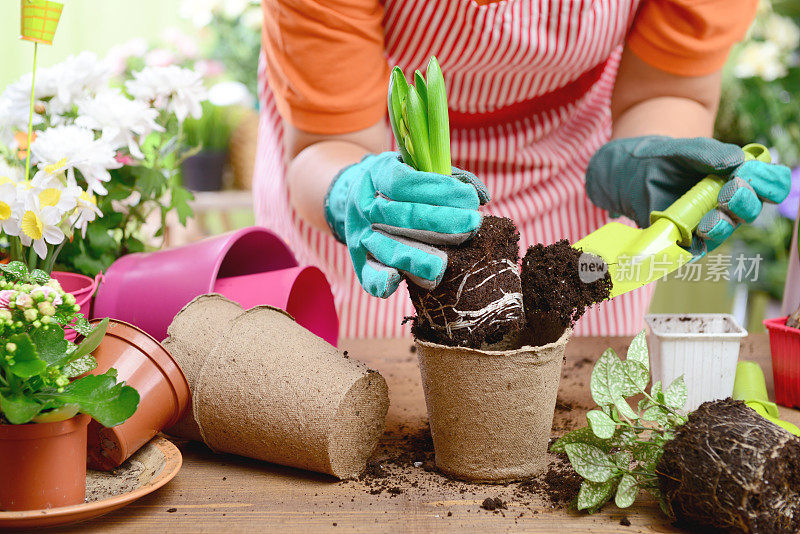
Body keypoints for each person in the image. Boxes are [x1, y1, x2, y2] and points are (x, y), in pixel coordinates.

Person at [255, 0, 791, 339]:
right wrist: (353, 191)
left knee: (566, 379)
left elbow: (666, 88)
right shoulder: (371, 182)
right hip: (386, 174)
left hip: (568, 150)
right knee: (365, 384)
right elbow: (329, 141)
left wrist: (644, 157)